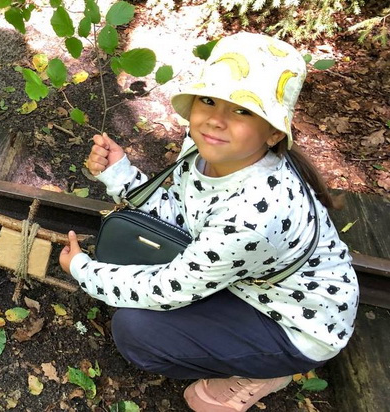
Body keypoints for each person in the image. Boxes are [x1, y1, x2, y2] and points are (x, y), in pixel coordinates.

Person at [59, 32, 359, 412]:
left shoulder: (254, 216)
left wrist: (85, 270)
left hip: (298, 326)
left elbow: (168, 289)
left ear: (272, 133)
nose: (216, 120)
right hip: (252, 283)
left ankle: (268, 368)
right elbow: (187, 217)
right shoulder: (202, 151)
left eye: (242, 110)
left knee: (136, 332)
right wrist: (121, 175)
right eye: (208, 100)